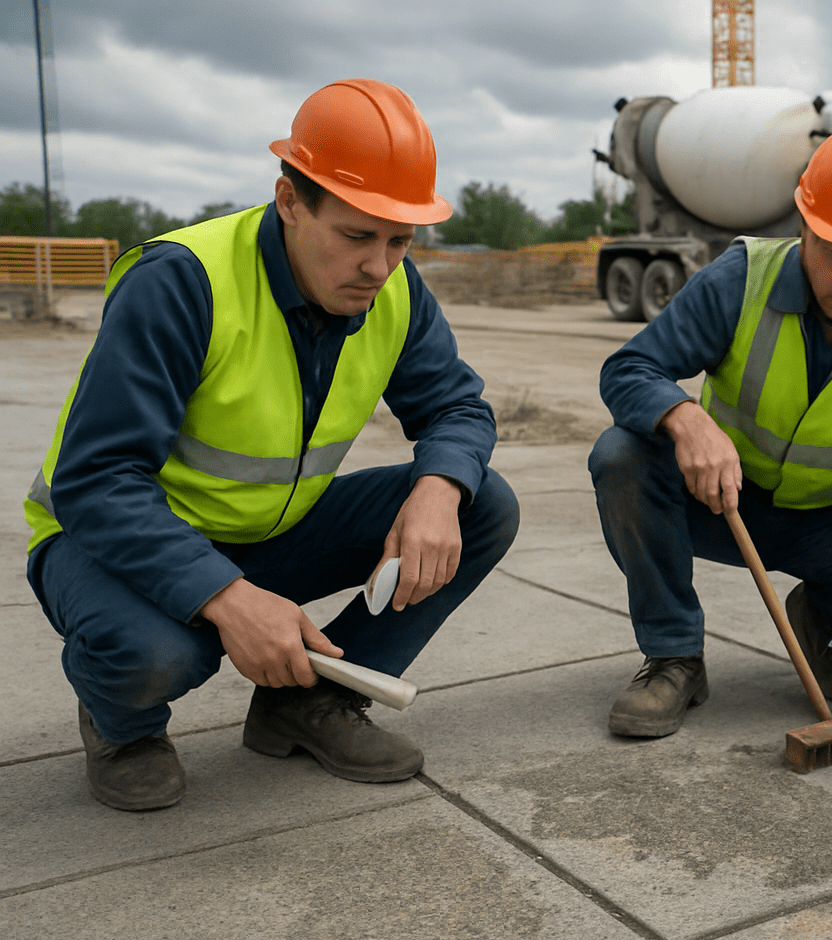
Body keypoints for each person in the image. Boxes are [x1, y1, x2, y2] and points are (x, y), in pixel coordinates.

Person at [23, 79, 520, 811]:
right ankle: (121, 725)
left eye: (400, 240)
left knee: (483, 504)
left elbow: (456, 406)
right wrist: (226, 597)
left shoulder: (395, 291)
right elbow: (96, 481)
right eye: (356, 235)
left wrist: (439, 489)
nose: (379, 268)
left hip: (264, 531)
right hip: (110, 540)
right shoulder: (183, 282)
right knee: (158, 653)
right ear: (290, 200)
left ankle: (305, 703)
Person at [589, 125, 832, 737]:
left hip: (831, 523)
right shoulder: (742, 277)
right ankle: (673, 656)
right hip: (720, 502)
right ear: (804, 228)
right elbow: (630, 369)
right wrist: (683, 417)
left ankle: (827, 627)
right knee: (620, 455)